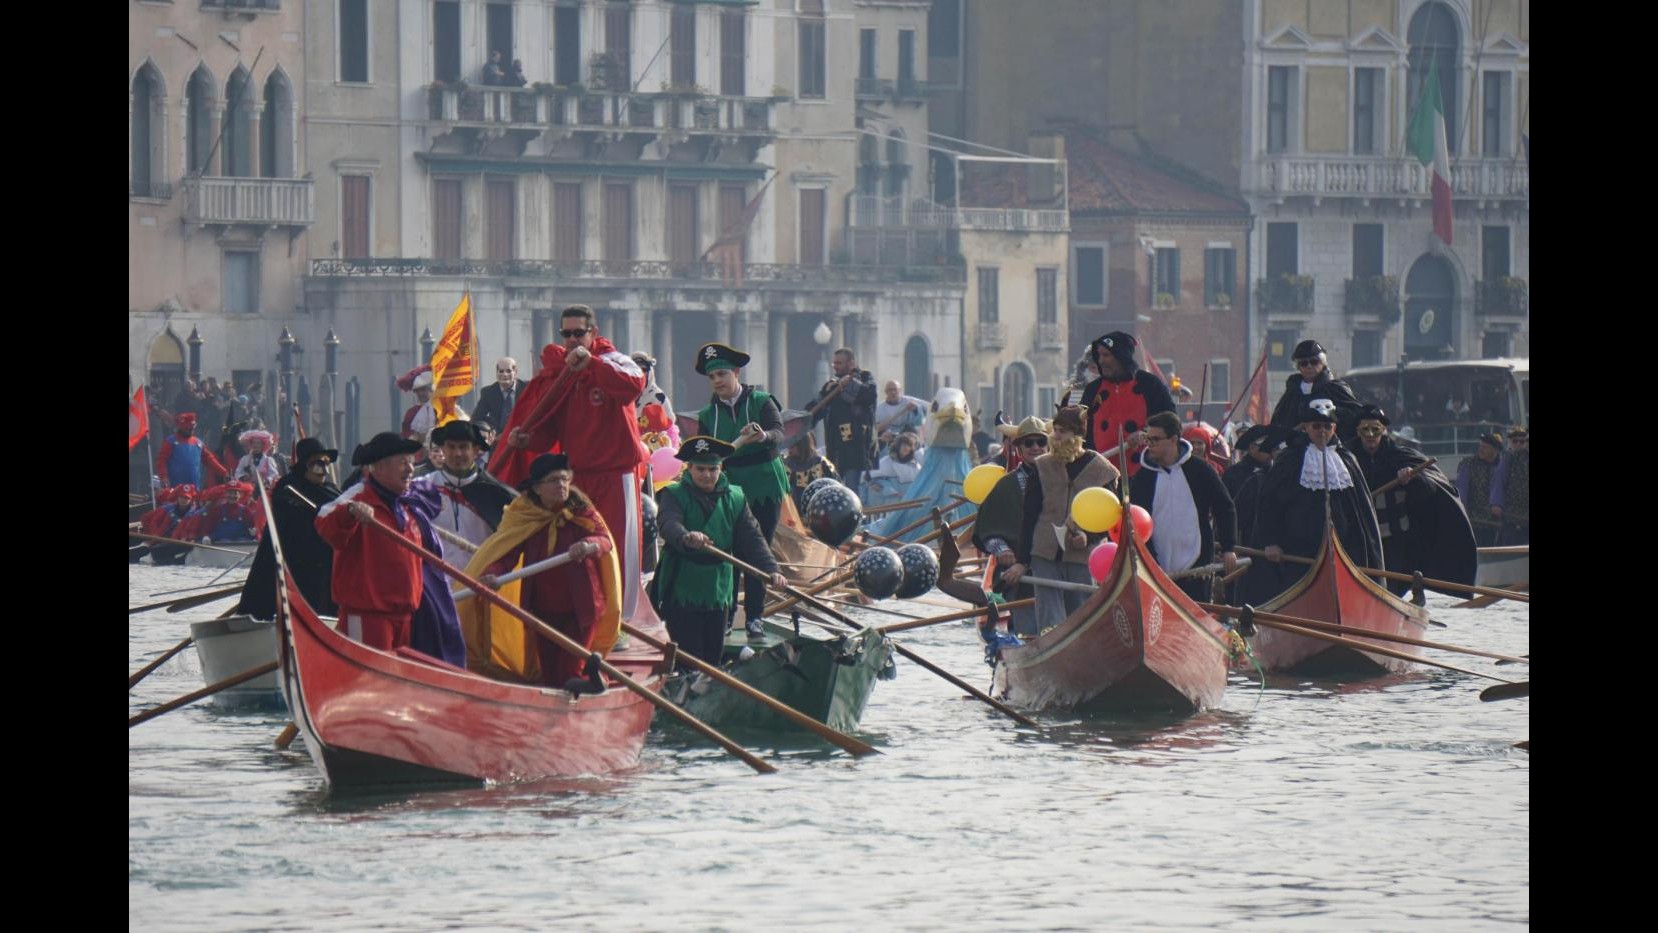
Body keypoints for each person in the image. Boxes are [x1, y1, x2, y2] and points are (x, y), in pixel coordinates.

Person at [496, 304, 649, 618]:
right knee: (580, 547)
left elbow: (633, 385)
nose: (572, 340)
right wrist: (527, 440)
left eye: (579, 333)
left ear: (593, 333)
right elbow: (548, 427)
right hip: (577, 477)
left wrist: (590, 364)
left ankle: (622, 620)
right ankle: (590, 612)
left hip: (615, 473)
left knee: (617, 544)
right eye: (566, 334)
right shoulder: (561, 375)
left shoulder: (613, 361)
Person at [466, 453, 622, 690]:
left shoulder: (581, 511)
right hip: (541, 610)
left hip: (581, 608)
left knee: (568, 673)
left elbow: (604, 539)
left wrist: (590, 545)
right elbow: (507, 553)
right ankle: (578, 692)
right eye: (553, 481)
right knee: (549, 676)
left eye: (564, 479)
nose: (561, 485)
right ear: (538, 488)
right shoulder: (524, 514)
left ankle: (592, 683)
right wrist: (493, 573)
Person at [315, 432, 467, 665]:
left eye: (411, 462)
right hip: (369, 614)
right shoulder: (359, 495)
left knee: (396, 681)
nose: (410, 469)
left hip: (406, 615)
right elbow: (324, 521)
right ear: (379, 467)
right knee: (367, 677)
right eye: (402, 462)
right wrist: (351, 512)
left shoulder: (408, 504)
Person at [651, 437, 788, 664]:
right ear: (689, 468)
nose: (707, 475)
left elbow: (753, 539)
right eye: (701, 469)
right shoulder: (673, 494)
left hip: (718, 587)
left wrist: (772, 570)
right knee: (688, 655)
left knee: (713, 654)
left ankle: (708, 686)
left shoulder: (735, 497)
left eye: (712, 469)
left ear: (721, 468)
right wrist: (686, 537)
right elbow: (668, 523)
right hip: (682, 584)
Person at [1244, 398, 1384, 605]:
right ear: (1306, 427)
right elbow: (1269, 505)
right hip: (1298, 552)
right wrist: (1270, 542)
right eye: (1316, 426)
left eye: (1327, 426)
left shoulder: (1346, 459)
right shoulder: (1290, 459)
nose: (1322, 431)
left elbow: (1361, 510)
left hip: (1346, 551)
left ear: (1334, 427)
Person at [692, 342, 790, 635]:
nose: (717, 381)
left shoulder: (761, 401)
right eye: (712, 377)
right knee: (729, 552)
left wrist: (761, 437)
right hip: (730, 488)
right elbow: (704, 455)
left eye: (722, 373)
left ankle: (755, 617)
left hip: (764, 484)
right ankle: (727, 614)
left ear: (736, 372)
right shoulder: (708, 415)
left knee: (758, 550)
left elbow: (778, 433)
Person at [1005, 405, 1120, 631]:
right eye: (1055, 430)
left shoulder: (1102, 470)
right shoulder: (1042, 466)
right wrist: (1022, 560)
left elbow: (1110, 517)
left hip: (1082, 554)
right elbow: (1029, 517)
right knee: (1049, 616)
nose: (1055, 436)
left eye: (1062, 431)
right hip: (1044, 550)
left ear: (1077, 435)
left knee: (1081, 613)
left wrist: (1089, 536)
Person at [1349, 405, 1476, 596]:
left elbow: (1429, 490)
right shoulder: (1348, 458)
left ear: (1383, 431)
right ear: (1357, 432)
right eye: (1364, 429)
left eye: (1375, 429)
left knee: (1393, 584)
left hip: (1396, 537)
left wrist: (1413, 479)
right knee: (1364, 582)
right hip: (1363, 537)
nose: (1370, 435)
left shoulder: (1401, 457)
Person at [1130, 412, 1239, 602]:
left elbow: (1224, 507)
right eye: (1148, 439)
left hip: (1197, 566)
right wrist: (1149, 563)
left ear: (1173, 440)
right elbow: (1136, 523)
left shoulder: (1200, 470)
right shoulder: (1143, 478)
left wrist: (1229, 547)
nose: (1149, 445)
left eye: (1155, 439)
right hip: (1157, 569)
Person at [236, 438, 342, 619]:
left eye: (326, 464)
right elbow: (289, 518)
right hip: (292, 563)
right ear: (304, 465)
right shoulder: (287, 487)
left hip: (325, 565)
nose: (323, 470)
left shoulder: (331, 490)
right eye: (317, 464)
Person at [865, 387, 976, 543]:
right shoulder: (892, 462)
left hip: (944, 503)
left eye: (908, 446)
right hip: (903, 502)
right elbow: (873, 479)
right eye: (903, 446)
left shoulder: (918, 459)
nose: (906, 450)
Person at [972, 415, 1049, 636]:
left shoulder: (1060, 481)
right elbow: (988, 531)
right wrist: (1002, 550)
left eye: (1040, 442)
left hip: (1054, 569)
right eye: (1029, 443)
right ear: (1019, 447)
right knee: (1027, 629)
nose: (1035, 447)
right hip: (1018, 572)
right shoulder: (1006, 485)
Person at [1077, 331, 1177, 478]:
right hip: (1102, 475)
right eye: (1099, 355)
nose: (1101, 361)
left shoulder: (1150, 385)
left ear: (1121, 356)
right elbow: (1080, 430)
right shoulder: (1093, 390)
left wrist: (1146, 434)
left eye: (1106, 355)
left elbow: (1171, 421)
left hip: (1146, 473)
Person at [416, 419, 517, 563]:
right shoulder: (421, 489)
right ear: (443, 449)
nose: (457, 453)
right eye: (451, 447)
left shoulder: (497, 493)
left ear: (475, 450)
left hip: (480, 580)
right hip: (435, 581)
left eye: (463, 447)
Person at [808, 347, 879, 493]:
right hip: (836, 447)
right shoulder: (831, 386)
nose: (835, 366)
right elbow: (818, 406)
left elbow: (870, 397)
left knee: (853, 490)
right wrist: (803, 418)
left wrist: (850, 384)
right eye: (834, 363)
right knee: (836, 490)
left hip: (858, 447)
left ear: (851, 363)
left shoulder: (865, 378)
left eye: (839, 363)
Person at [1269, 340, 1360, 439]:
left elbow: (1355, 415)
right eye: (1303, 363)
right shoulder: (1293, 390)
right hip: (1294, 447)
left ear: (1323, 363)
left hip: (1329, 445)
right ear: (1298, 367)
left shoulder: (1335, 387)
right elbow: (1278, 421)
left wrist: (1331, 411)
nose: (1309, 366)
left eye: (1314, 362)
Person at [156, 412, 229, 490]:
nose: (191, 431)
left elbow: (210, 460)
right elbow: (161, 461)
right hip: (175, 485)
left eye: (192, 428)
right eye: (188, 428)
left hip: (193, 486)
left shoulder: (198, 443)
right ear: (181, 427)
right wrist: (163, 477)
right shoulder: (171, 441)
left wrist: (224, 473)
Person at [1456, 432, 1504, 546]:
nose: (1481, 449)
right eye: (1480, 446)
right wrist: (1462, 508)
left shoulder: (1503, 465)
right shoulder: (1468, 463)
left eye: (1485, 447)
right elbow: (1462, 488)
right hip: (1474, 519)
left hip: (1497, 520)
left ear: (1495, 450)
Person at [865, 432, 923, 508]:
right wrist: (890, 491)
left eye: (909, 445)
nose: (906, 448)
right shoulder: (886, 462)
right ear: (898, 447)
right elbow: (875, 480)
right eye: (904, 445)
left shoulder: (914, 465)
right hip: (890, 502)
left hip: (909, 500)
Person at [1492, 427, 1529, 545]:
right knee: (1511, 543)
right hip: (1512, 513)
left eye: (1522, 441)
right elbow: (1499, 480)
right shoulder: (1509, 458)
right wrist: (1496, 504)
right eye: (1515, 441)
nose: (1519, 444)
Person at [472, 357, 528, 435]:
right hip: (498, 438)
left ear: (515, 372)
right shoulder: (488, 392)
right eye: (501, 371)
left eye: (509, 371)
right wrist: (491, 431)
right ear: (496, 373)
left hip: (521, 435)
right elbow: (476, 418)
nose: (505, 374)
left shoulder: (527, 388)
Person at [783, 433, 838, 511]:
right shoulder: (786, 465)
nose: (789, 449)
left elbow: (836, 483)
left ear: (801, 445)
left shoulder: (821, 462)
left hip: (819, 508)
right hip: (794, 512)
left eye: (792, 446)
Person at [874, 380, 928, 455]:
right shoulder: (879, 409)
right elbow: (877, 428)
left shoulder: (909, 402)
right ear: (886, 392)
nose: (893, 392)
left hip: (907, 434)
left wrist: (915, 409)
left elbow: (919, 421)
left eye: (895, 389)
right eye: (890, 390)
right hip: (888, 437)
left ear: (900, 390)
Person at [199, 482, 264, 543]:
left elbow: (252, 527)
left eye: (235, 493)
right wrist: (207, 536)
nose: (232, 496)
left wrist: (254, 531)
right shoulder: (217, 510)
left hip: (242, 546)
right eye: (230, 493)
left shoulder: (246, 511)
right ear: (225, 494)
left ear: (240, 495)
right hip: (221, 546)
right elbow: (208, 528)